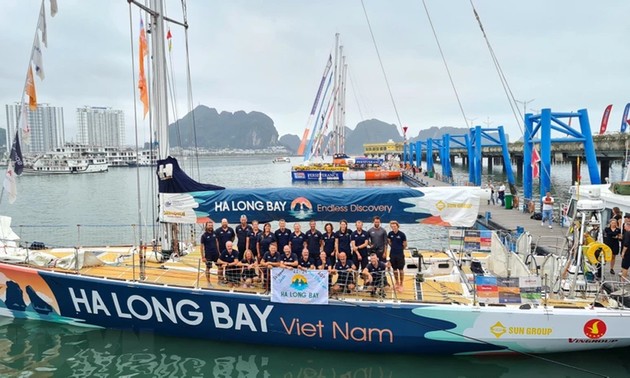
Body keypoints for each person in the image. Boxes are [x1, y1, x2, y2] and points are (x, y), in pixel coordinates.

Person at [387, 220, 407, 292]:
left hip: (400, 254)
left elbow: (405, 244)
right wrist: (393, 246)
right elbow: (389, 241)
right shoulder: (390, 233)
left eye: (394, 226)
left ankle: (401, 284)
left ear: (397, 226)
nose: (393, 227)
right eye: (392, 226)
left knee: (400, 270)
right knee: (394, 270)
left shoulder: (402, 234)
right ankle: (397, 283)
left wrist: (400, 248)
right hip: (392, 254)